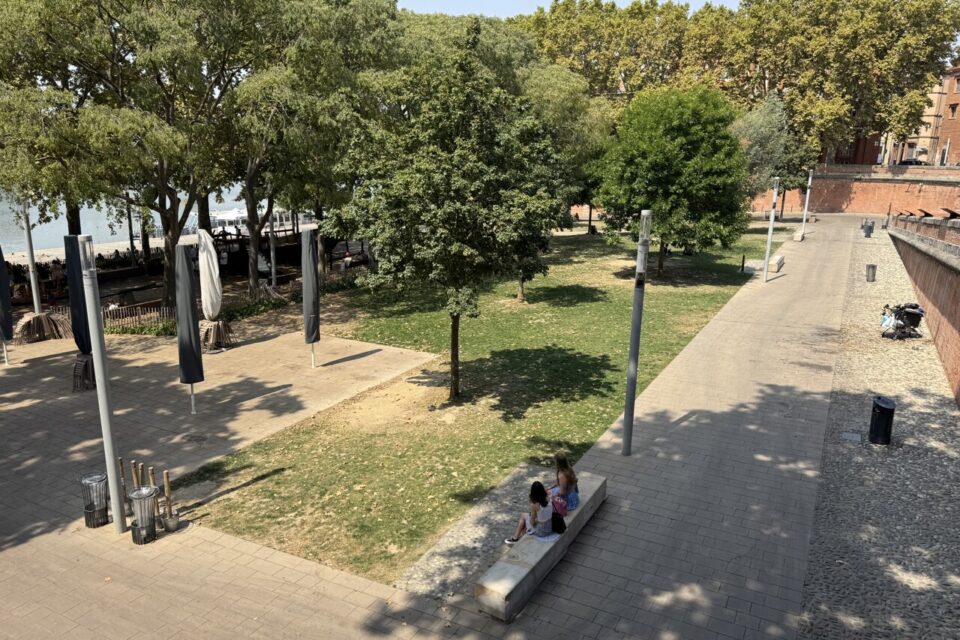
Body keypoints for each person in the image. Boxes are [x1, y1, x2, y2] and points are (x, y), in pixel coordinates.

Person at [505, 481, 553, 546]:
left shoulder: (535, 505)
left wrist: (533, 519)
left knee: (523, 517)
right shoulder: (549, 497)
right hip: (549, 527)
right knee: (525, 517)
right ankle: (518, 538)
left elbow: (532, 522)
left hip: (541, 531)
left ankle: (515, 538)